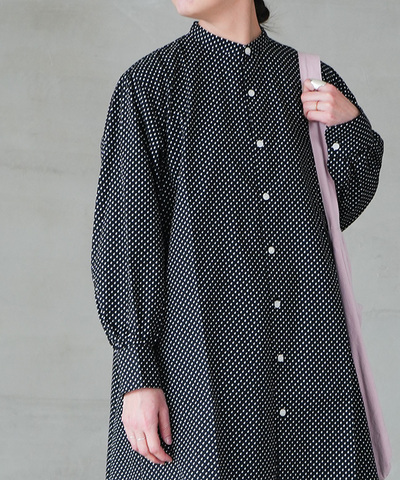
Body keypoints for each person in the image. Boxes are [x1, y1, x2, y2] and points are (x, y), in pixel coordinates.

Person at [91, 0, 390, 479]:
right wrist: (137, 374)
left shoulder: (311, 80)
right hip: (198, 369)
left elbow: (338, 209)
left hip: (311, 361)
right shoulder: (150, 85)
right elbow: (126, 239)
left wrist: (349, 125)